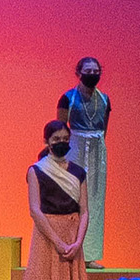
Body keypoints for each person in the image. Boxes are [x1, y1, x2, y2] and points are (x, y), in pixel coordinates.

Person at [10, 120, 96, 280]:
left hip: (72, 236)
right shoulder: (36, 171)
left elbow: (85, 211)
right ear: (46, 142)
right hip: (47, 238)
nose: (61, 143)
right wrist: (57, 241)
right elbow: (35, 210)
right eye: (56, 139)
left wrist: (78, 242)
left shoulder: (78, 173)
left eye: (65, 139)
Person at [56, 56, 111, 268]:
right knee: (72, 196)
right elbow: (60, 127)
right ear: (79, 73)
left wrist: (97, 150)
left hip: (97, 150)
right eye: (88, 71)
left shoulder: (104, 99)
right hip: (75, 147)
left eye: (96, 71)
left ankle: (89, 255)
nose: (93, 75)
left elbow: (104, 130)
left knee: (94, 200)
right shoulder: (68, 98)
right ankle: (68, 249)